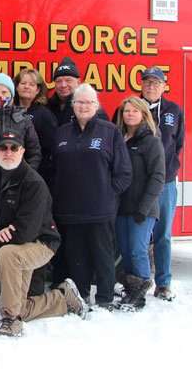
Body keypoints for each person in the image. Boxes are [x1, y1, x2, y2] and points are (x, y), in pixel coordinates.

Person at [0, 130, 88, 337]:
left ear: (22, 151)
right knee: (19, 304)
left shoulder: (33, 182)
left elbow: (25, 232)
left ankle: (11, 321)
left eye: (14, 148)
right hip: (12, 242)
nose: (8, 152)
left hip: (41, 243)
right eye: (3, 147)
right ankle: (63, 298)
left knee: (7, 254)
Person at [51, 84, 132, 308]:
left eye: (89, 102)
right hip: (69, 210)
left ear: (96, 105)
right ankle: (81, 295)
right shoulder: (62, 133)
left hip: (100, 210)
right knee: (76, 257)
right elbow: (53, 170)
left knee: (103, 256)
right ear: (73, 105)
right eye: (79, 102)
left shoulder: (110, 132)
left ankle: (105, 298)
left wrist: (107, 194)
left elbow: (124, 172)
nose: (84, 106)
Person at [113, 97, 165, 309]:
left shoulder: (151, 141)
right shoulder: (120, 140)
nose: (130, 114)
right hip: (121, 207)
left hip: (143, 209)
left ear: (144, 114)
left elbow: (158, 176)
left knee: (137, 250)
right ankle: (131, 290)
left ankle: (140, 294)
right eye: (127, 111)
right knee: (125, 251)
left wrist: (144, 207)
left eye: (135, 111)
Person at [139, 66, 185, 301]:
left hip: (165, 183)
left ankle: (164, 283)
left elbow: (178, 145)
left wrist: (168, 170)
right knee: (140, 234)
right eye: (147, 82)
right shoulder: (131, 108)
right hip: (140, 185)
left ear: (164, 86)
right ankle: (141, 281)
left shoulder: (174, 111)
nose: (151, 86)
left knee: (163, 235)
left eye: (156, 83)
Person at [13, 67, 58, 187]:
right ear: (16, 87)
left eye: (31, 84)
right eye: (23, 83)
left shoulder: (45, 115)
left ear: (37, 89)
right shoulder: (8, 111)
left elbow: (50, 149)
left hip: (35, 174)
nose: (26, 87)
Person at [47, 57, 109, 126]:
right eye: (59, 81)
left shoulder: (90, 107)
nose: (63, 85)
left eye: (68, 80)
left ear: (78, 82)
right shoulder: (47, 106)